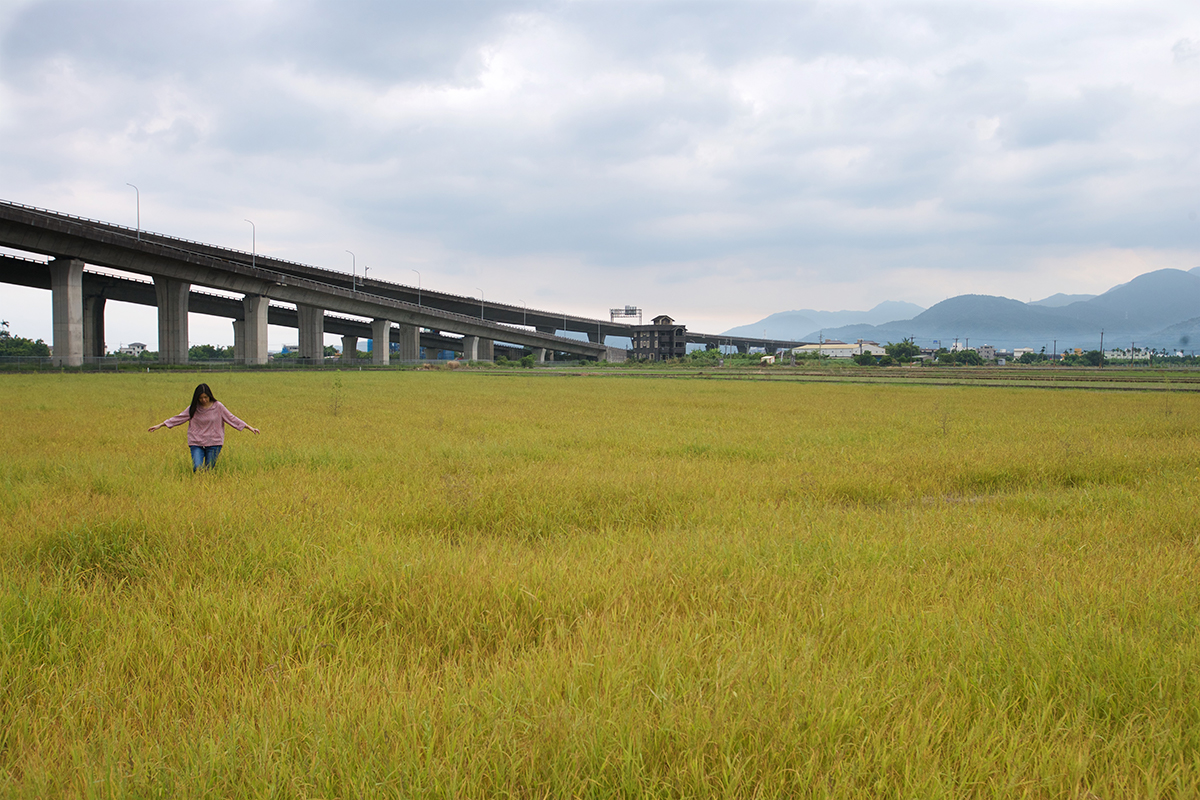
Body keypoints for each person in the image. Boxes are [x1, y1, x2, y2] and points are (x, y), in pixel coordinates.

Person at [148, 383, 260, 471]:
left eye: (206, 397)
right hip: (196, 442)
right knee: (198, 467)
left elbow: (232, 418)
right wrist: (160, 425)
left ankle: (206, 490)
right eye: (201, 398)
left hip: (214, 442)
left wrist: (249, 427)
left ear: (209, 396)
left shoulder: (218, 407)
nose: (204, 400)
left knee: (209, 469)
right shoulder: (193, 408)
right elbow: (178, 418)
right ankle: (197, 486)